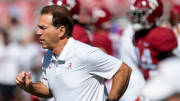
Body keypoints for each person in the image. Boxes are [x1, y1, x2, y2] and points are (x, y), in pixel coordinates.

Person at [15, 5, 132, 101]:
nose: (38, 33)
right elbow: (49, 90)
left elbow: (123, 70)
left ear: (61, 31)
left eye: (43, 28)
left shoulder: (84, 53)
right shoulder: (48, 56)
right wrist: (29, 87)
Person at [128, 0, 177, 80]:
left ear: (154, 14)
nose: (136, 17)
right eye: (135, 13)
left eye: (141, 14)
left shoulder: (162, 34)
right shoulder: (137, 35)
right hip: (147, 82)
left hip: (164, 82)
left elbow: (172, 64)